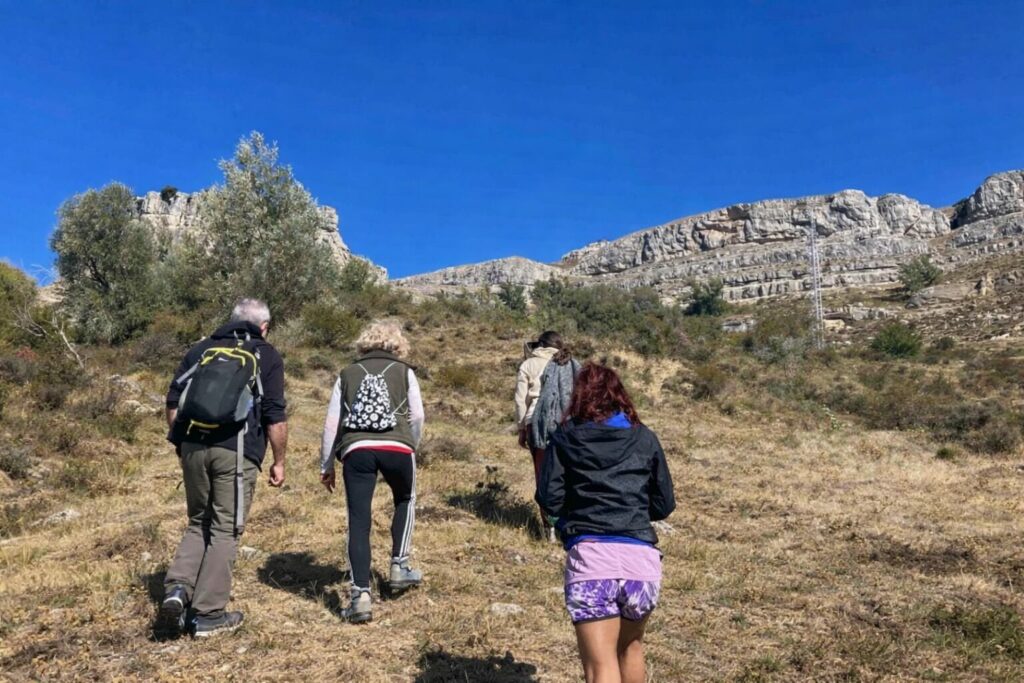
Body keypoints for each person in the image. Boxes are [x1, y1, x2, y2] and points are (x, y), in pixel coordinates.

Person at [157, 298, 288, 638]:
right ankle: (208, 614)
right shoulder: (266, 354)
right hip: (237, 450)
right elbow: (274, 412)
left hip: (192, 447)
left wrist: (180, 444)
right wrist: (279, 461)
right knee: (226, 528)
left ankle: (176, 591)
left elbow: (173, 398)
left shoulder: (202, 348)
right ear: (263, 327)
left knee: (198, 521)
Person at [537, 363, 675, 683]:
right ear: (620, 396)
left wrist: (573, 516)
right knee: (630, 648)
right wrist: (633, 512)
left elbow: (549, 498)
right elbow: (664, 503)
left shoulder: (567, 437)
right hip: (642, 563)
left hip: (592, 561)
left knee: (601, 666)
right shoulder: (645, 437)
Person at [319, 319, 425, 624]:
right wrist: (410, 444)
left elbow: (331, 423)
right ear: (397, 345)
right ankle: (399, 566)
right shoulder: (405, 372)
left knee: (358, 519)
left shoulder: (347, 373)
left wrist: (326, 465)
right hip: (399, 449)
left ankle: (360, 597)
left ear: (364, 343)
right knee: (405, 499)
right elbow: (417, 415)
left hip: (356, 450)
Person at [514, 330, 569, 539]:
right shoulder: (566, 362)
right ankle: (567, 524)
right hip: (564, 423)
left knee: (543, 475)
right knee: (567, 474)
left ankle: (549, 528)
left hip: (535, 422)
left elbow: (521, 400)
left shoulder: (529, 364)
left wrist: (521, 427)